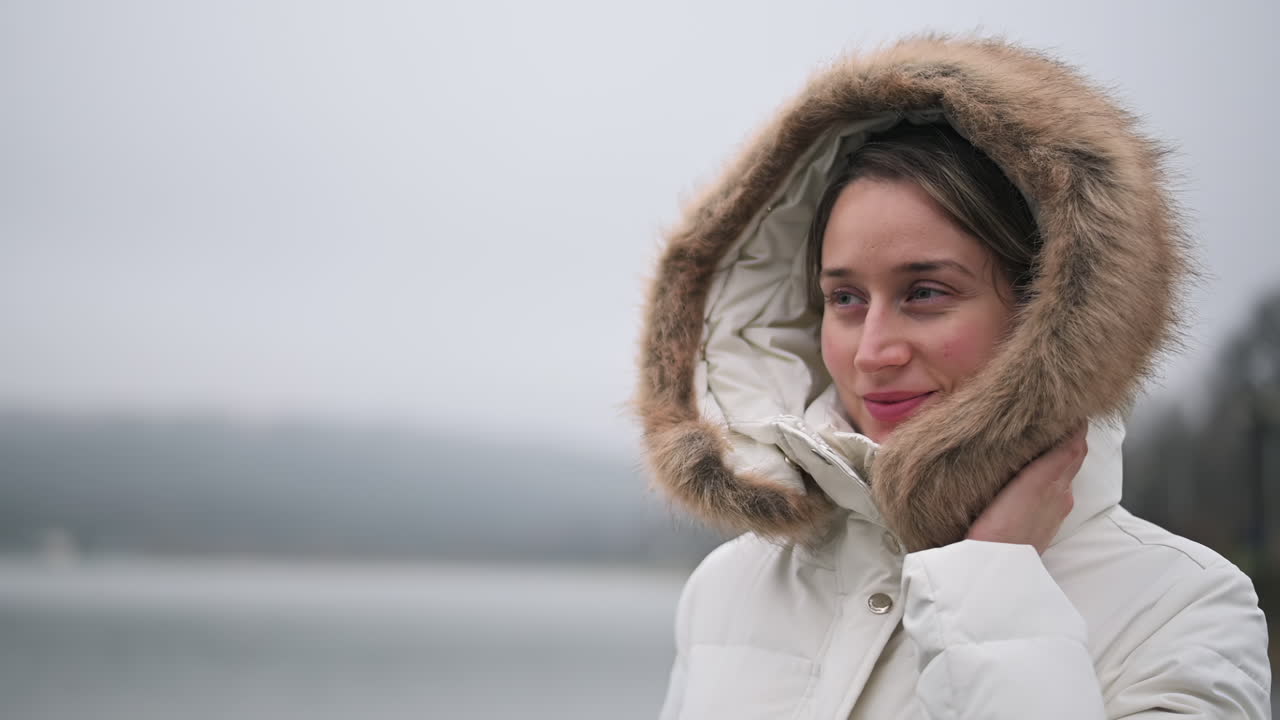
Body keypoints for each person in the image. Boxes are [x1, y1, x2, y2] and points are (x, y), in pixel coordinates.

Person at [635, 35, 1270, 718]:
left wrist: (993, 584)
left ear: (1048, 309)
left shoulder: (1183, 606)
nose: (874, 351)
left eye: (925, 293)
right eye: (845, 299)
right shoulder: (729, 590)